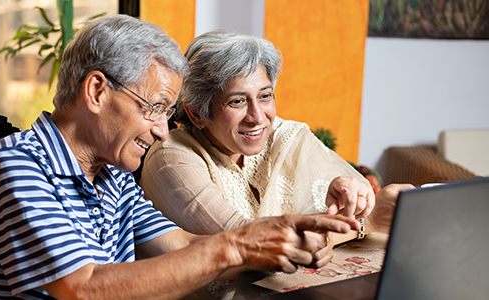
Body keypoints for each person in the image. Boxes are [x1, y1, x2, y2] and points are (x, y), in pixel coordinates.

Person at [0, 15, 360, 300]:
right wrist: (237, 247)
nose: (162, 129)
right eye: (155, 106)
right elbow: (82, 288)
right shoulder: (16, 165)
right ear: (97, 91)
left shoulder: (112, 178)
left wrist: (272, 244)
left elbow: (185, 246)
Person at [139, 30, 414, 297]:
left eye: (265, 96)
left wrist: (350, 197)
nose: (257, 117)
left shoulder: (284, 135)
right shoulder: (171, 158)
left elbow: (361, 199)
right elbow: (254, 248)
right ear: (197, 113)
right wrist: (368, 221)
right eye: (237, 101)